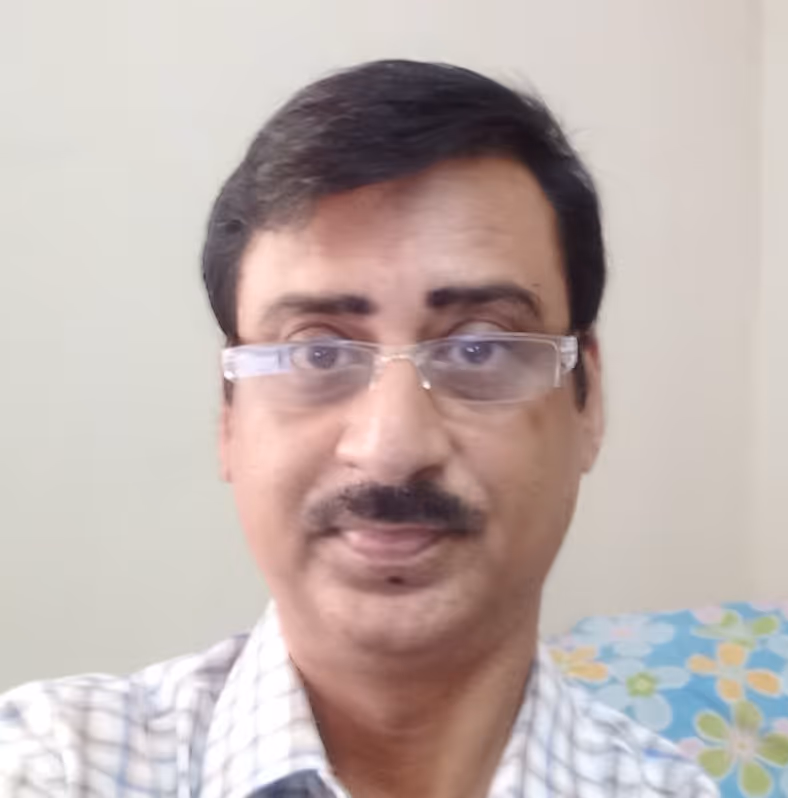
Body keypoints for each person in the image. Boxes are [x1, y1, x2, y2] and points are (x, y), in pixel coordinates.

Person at [0, 60, 716, 798]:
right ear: (229, 416)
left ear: (587, 403)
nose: (391, 448)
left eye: (479, 348)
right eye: (317, 352)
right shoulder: (51, 766)